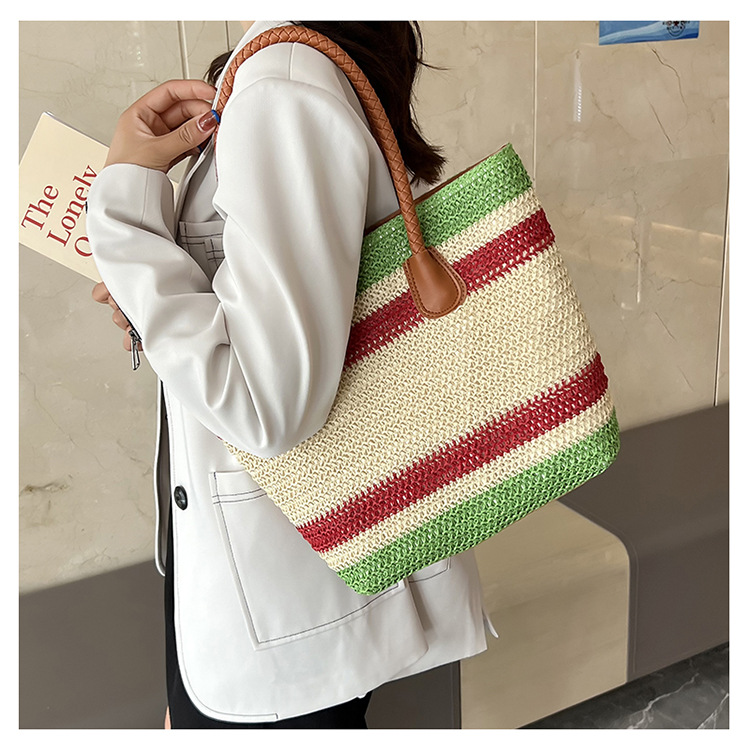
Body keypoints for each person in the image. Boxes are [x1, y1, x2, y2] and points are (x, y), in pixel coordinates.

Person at [87, 20, 491, 730]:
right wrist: (155, 294)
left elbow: (264, 405)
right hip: (279, 573)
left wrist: (124, 208)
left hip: (283, 590)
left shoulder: (284, 83)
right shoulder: (280, 69)